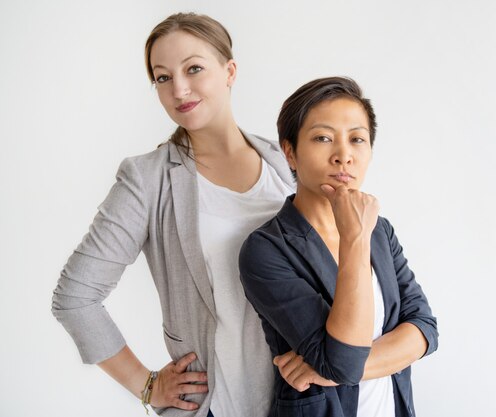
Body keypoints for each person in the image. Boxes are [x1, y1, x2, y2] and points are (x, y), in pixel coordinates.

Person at [51, 12, 293, 417]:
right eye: (162, 77)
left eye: (193, 68)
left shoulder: (285, 162)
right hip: (221, 405)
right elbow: (75, 297)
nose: (179, 88)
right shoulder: (147, 180)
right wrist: (145, 384)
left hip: (308, 401)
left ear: (229, 70)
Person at [239, 76, 438, 417]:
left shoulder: (380, 231)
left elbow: (424, 329)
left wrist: (334, 371)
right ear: (290, 152)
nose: (343, 156)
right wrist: (354, 238)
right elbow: (343, 360)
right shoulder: (267, 249)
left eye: (357, 139)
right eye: (323, 138)